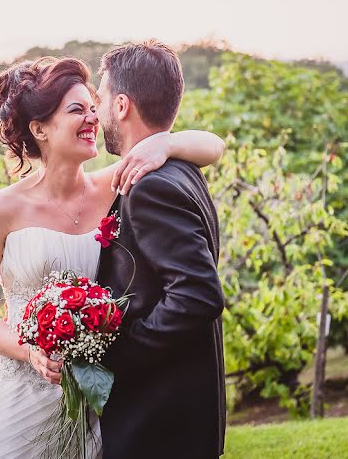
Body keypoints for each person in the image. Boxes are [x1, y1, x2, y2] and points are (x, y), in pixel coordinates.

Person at [0, 54, 225, 458]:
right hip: (20, 392)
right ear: (39, 129)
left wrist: (166, 142)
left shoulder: (117, 181)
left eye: (94, 106)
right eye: (78, 110)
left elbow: (214, 145)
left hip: (92, 394)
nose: (93, 117)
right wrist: (28, 350)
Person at [95, 40, 226, 458]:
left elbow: (198, 295)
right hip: (182, 418)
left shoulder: (150, 185)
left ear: (120, 105)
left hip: (159, 421)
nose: (95, 113)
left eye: (98, 99)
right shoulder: (181, 167)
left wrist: (119, 353)